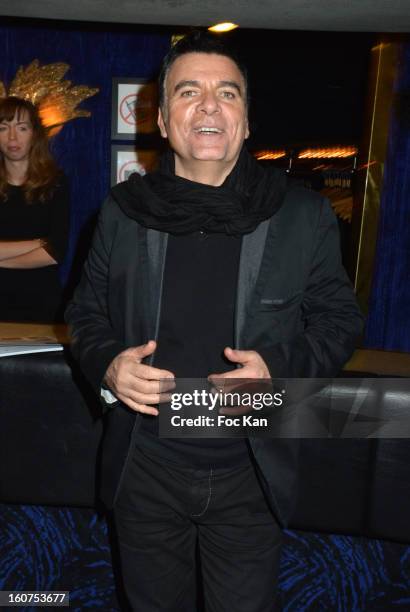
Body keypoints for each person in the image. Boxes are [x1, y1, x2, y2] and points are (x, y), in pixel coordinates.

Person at [66, 32, 363, 611]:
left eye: (227, 93)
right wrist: (108, 364)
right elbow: (83, 314)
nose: (208, 104)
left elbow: (339, 320)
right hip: (145, 466)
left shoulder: (302, 215)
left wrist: (277, 370)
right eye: (188, 91)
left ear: (246, 121)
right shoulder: (123, 213)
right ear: (162, 117)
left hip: (250, 470)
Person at [0, 96, 70, 323]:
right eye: (3, 128)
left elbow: (55, 252)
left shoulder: (56, 184)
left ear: (34, 134)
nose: (12, 137)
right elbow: (48, 246)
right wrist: (39, 242)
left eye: (22, 128)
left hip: (42, 305)